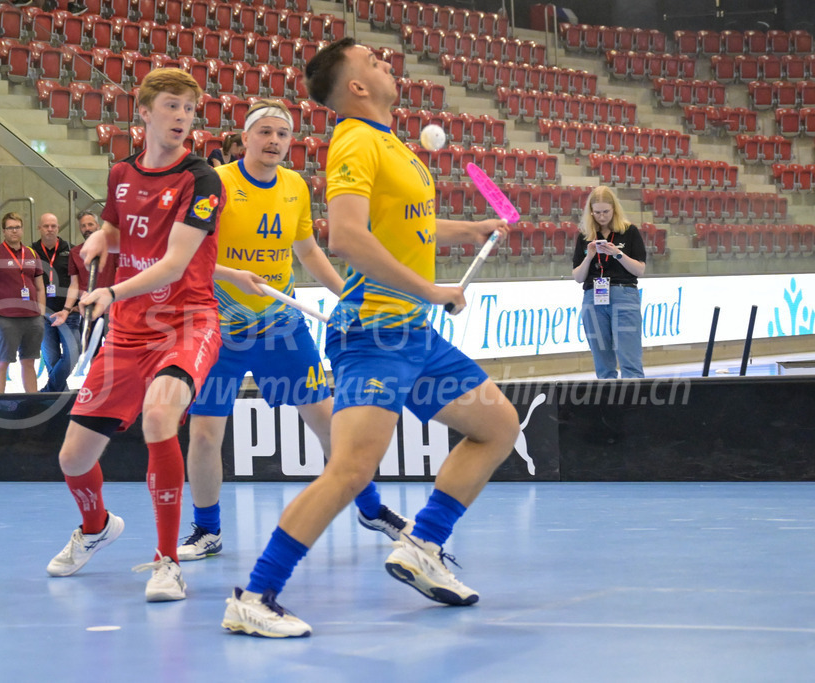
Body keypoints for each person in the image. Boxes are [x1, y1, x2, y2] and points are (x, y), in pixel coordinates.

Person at [221, 38, 519, 638]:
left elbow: (407, 224)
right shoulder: (355, 139)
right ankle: (254, 597)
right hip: (375, 333)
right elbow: (348, 237)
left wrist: (469, 230)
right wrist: (430, 289)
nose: (385, 62)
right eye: (371, 61)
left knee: (497, 426)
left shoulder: (391, 143)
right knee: (352, 470)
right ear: (355, 86)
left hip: (413, 333)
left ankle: (423, 545)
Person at [177, 99, 411, 563]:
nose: (274, 141)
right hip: (219, 327)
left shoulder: (295, 186)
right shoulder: (215, 183)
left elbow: (307, 252)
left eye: (282, 134)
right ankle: (207, 530)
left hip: (282, 326)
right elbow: (185, 253)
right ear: (244, 138)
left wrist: (348, 296)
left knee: (329, 422)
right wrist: (232, 275)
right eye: (264, 132)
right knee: (204, 434)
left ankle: (370, 509)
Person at [44, 68, 225, 604]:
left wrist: (111, 291)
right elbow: (119, 228)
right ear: (144, 112)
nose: (182, 116)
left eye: (189, 108)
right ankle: (96, 526)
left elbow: (174, 263)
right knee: (73, 460)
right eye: (171, 105)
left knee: (159, 417)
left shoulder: (201, 180)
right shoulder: (121, 172)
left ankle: (168, 561)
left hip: (186, 323)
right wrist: (100, 239)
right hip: (128, 332)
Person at [571, 186, 647, 379]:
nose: (602, 216)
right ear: (591, 212)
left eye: (606, 211)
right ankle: (608, 397)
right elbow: (578, 277)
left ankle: (635, 398)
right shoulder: (585, 236)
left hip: (624, 295)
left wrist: (617, 254)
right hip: (594, 297)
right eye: (597, 213)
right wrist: (589, 257)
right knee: (603, 363)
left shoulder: (629, 231)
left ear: (614, 209)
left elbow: (639, 270)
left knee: (630, 359)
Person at [0, 213, 46, 393]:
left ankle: (32, 401)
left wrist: (41, 314)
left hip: (32, 318)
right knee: (2, 363)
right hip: (7, 319)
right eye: (10, 228)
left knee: (29, 362)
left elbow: (40, 287)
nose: (14, 231)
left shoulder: (32, 254)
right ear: (4, 231)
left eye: (17, 227)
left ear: (22, 229)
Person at [52, 210, 117, 362]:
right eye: (83, 226)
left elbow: (121, 277)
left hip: (112, 311)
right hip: (89, 311)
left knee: (114, 353)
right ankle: (94, 378)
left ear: (98, 226)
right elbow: (74, 284)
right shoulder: (75, 252)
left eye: (90, 224)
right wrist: (66, 310)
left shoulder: (113, 249)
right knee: (90, 354)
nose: (87, 228)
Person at [31, 212, 78, 392]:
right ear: (39, 228)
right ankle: (59, 397)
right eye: (46, 226)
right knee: (51, 359)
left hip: (69, 313)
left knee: (73, 353)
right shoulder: (31, 252)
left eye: (53, 226)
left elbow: (78, 281)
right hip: (44, 314)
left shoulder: (71, 250)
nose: (50, 229)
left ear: (58, 228)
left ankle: (48, 392)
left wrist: (73, 307)